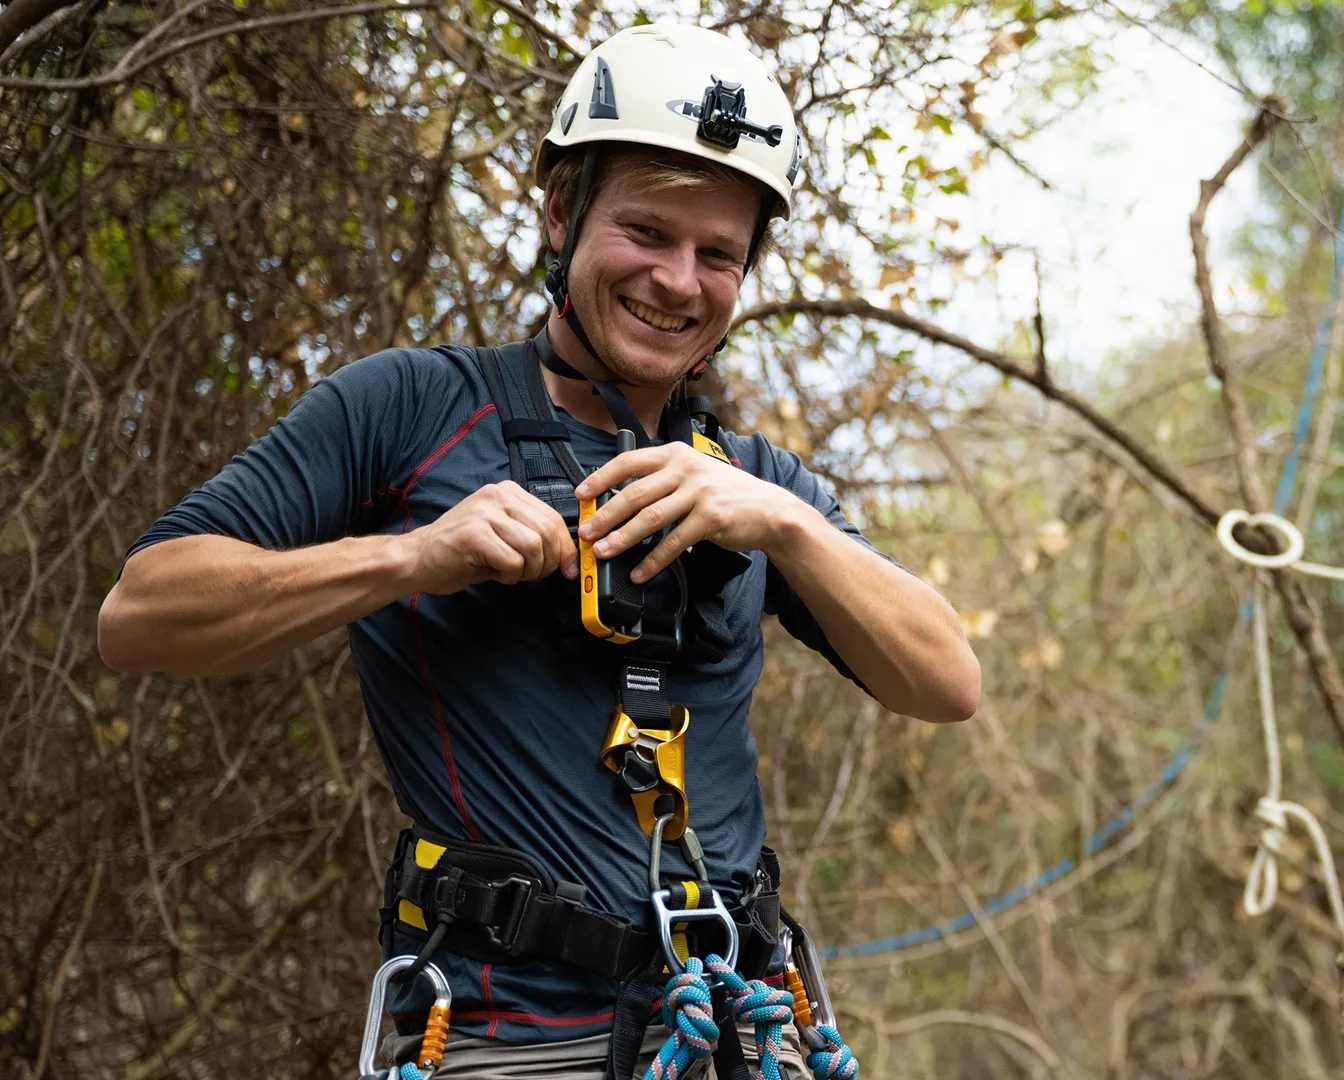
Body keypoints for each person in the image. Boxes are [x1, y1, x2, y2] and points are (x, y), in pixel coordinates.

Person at [97, 23, 979, 1079]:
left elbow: (947, 681)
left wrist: (781, 522)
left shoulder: (757, 484)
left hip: (740, 1031)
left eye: (719, 256)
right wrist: (412, 558)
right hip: (500, 1039)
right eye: (647, 233)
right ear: (562, 212)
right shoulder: (413, 409)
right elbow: (140, 615)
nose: (678, 282)